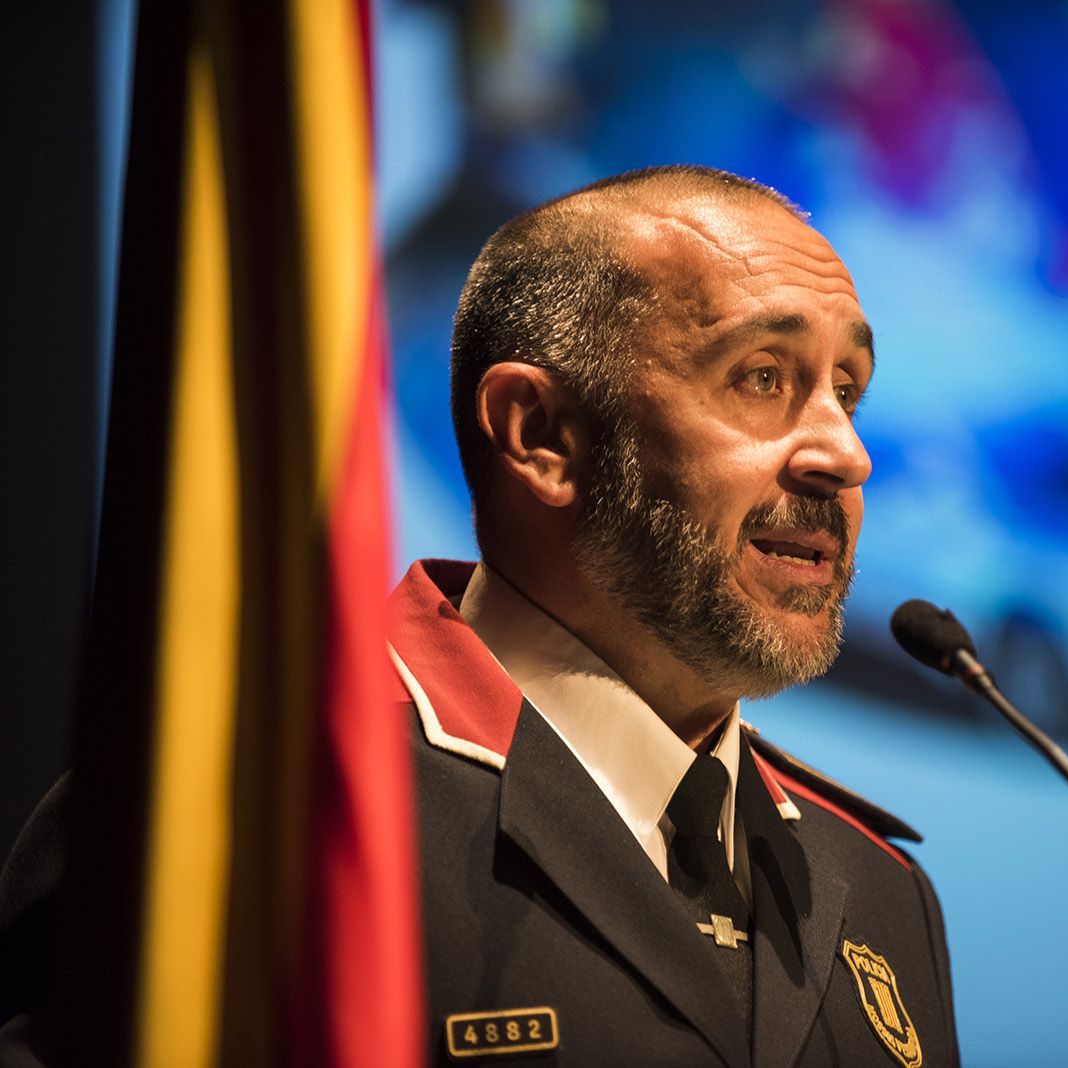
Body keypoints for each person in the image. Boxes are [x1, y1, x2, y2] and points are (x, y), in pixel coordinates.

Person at [1, 166, 958, 1068]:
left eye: (846, 391)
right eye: (761, 377)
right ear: (541, 435)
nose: (846, 454)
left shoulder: (880, 888)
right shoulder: (250, 815)